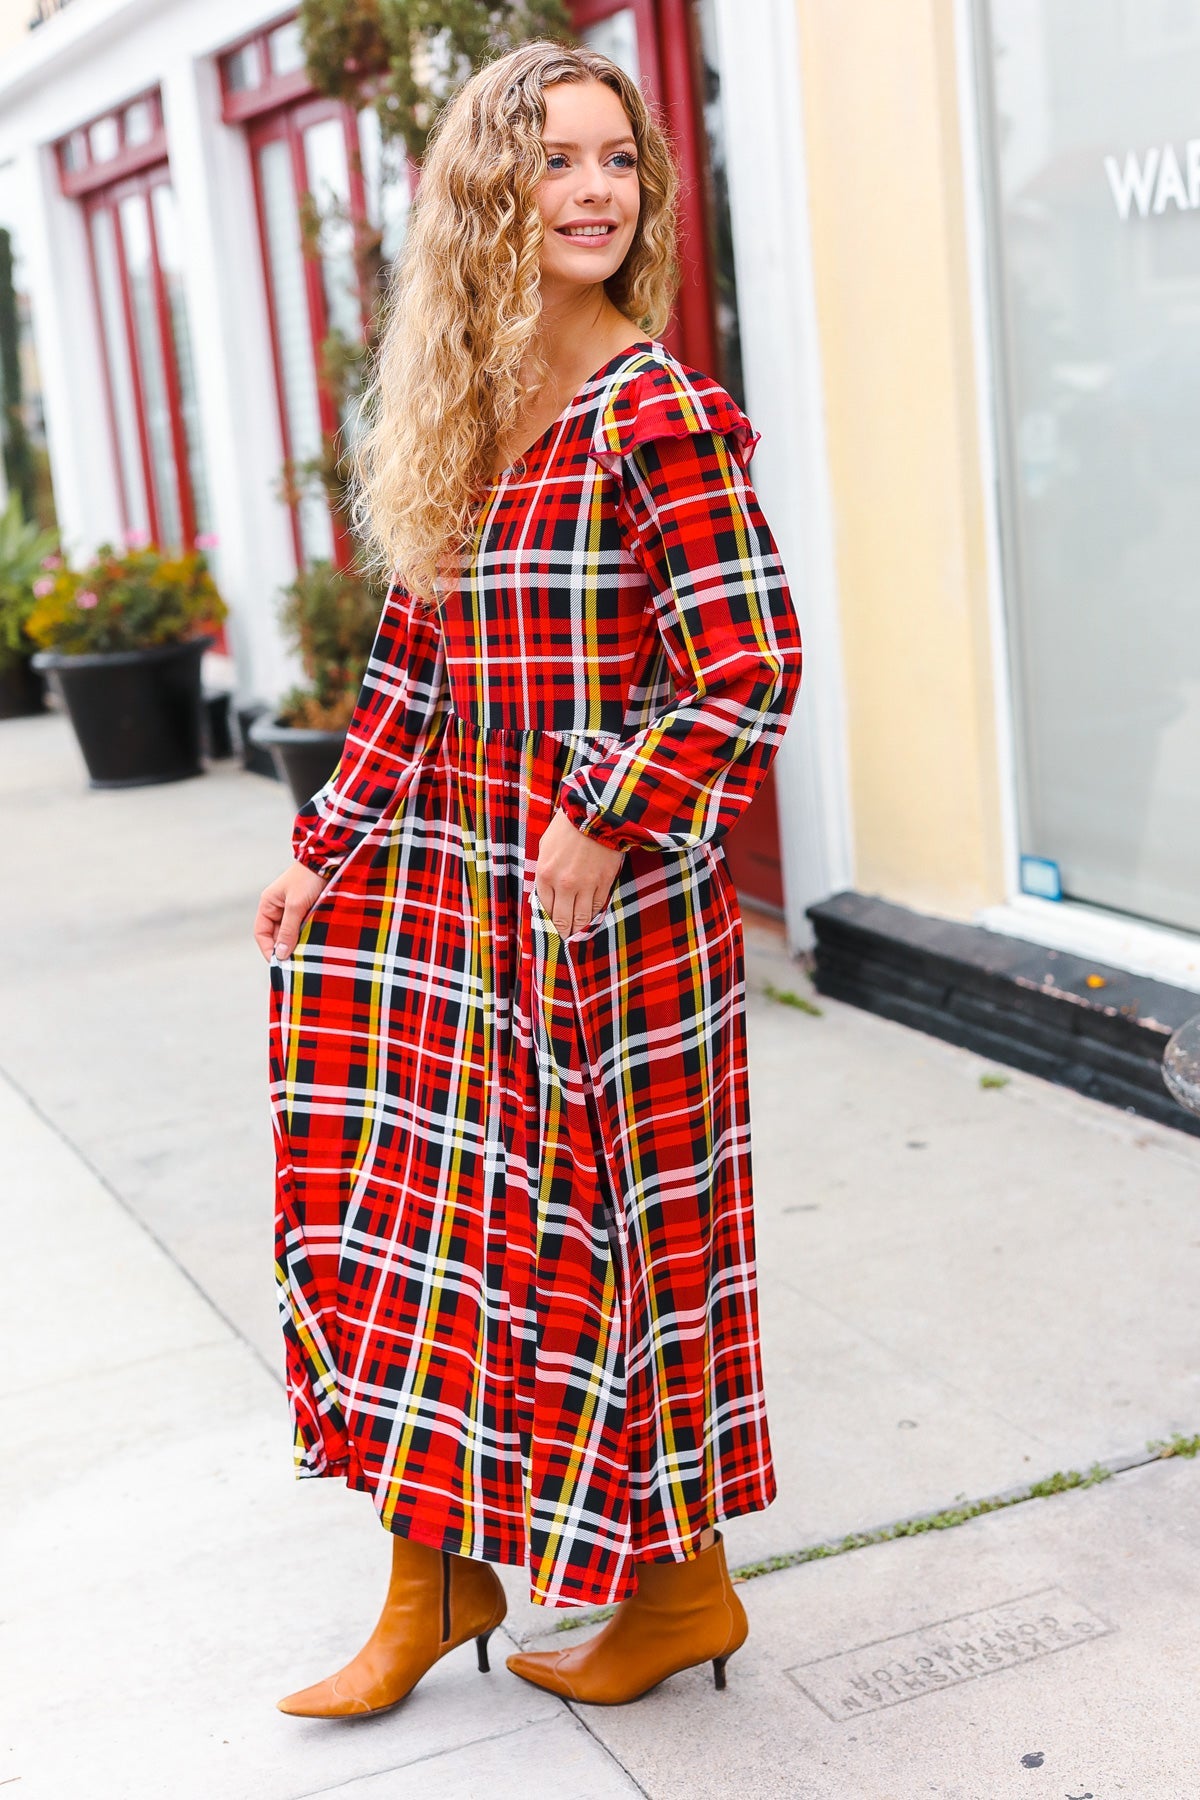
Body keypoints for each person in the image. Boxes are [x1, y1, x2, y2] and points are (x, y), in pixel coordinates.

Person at [253, 38, 803, 1718]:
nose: (595, 192)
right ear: (493, 194)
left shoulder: (663, 410)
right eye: (559, 161)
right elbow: (413, 672)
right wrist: (321, 849)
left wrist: (609, 813)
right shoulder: (478, 404)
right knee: (417, 1220)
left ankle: (683, 1588)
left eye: (621, 162)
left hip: (605, 918)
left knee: (620, 1252)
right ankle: (434, 1576)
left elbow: (748, 663)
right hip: (450, 899)